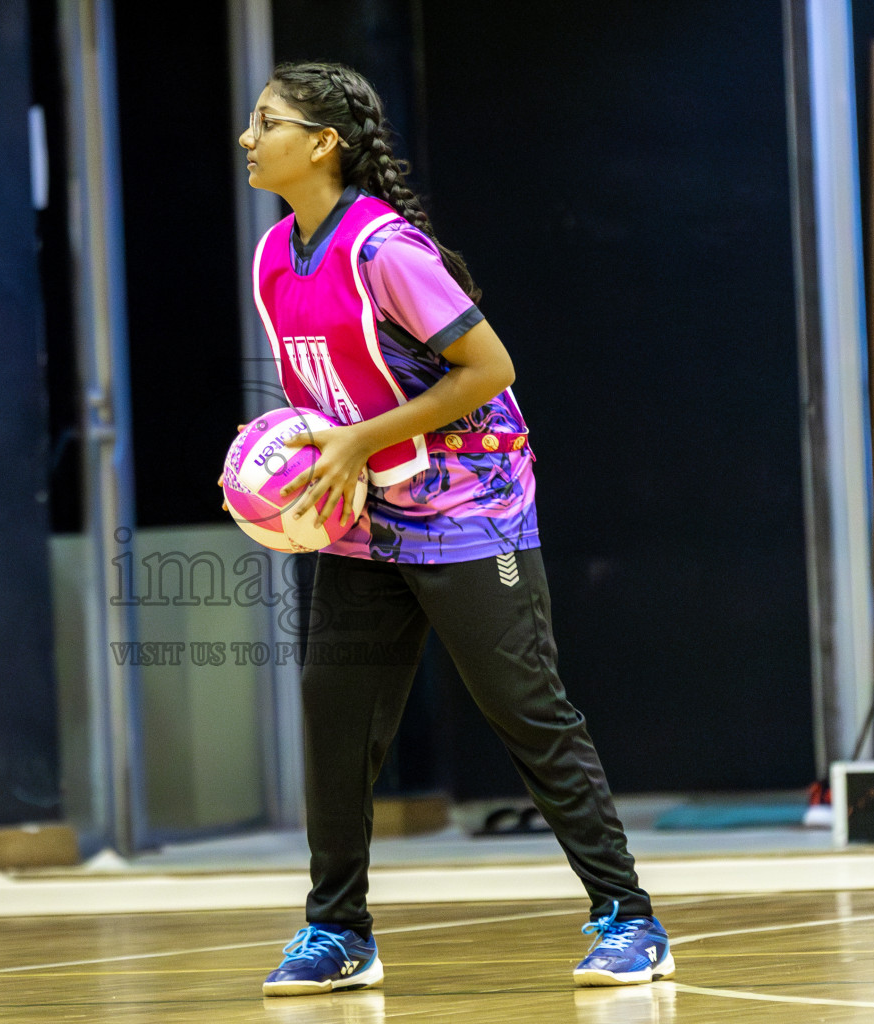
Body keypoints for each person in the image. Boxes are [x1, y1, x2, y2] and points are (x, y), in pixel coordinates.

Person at [230, 61, 672, 996]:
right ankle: (337, 931)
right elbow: (327, 399)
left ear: (322, 144)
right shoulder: (275, 256)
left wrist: (357, 439)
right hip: (367, 519)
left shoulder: (385, 250)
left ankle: (629, 916)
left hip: (472, 507)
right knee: (334, 719)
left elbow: (490, 370)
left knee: (526, 710)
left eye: (267, 122)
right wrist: (291, 457)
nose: (247, 136)